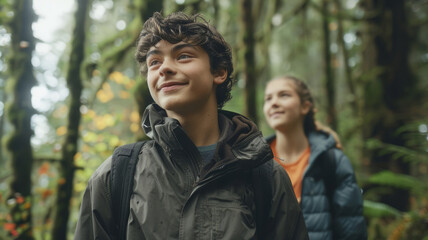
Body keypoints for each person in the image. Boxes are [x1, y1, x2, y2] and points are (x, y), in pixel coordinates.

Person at [74, 12, 308, 240]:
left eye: (183, 56)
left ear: (219, 72)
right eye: (154, 61)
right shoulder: (117, 174)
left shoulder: (265, 176)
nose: (164, 68)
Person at [263, 76, 367, 240]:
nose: (273, 103)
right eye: (268, 98)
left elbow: (351, 229)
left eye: (284, 95)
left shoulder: (333, 161)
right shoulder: (255, 162)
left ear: (305, 106)